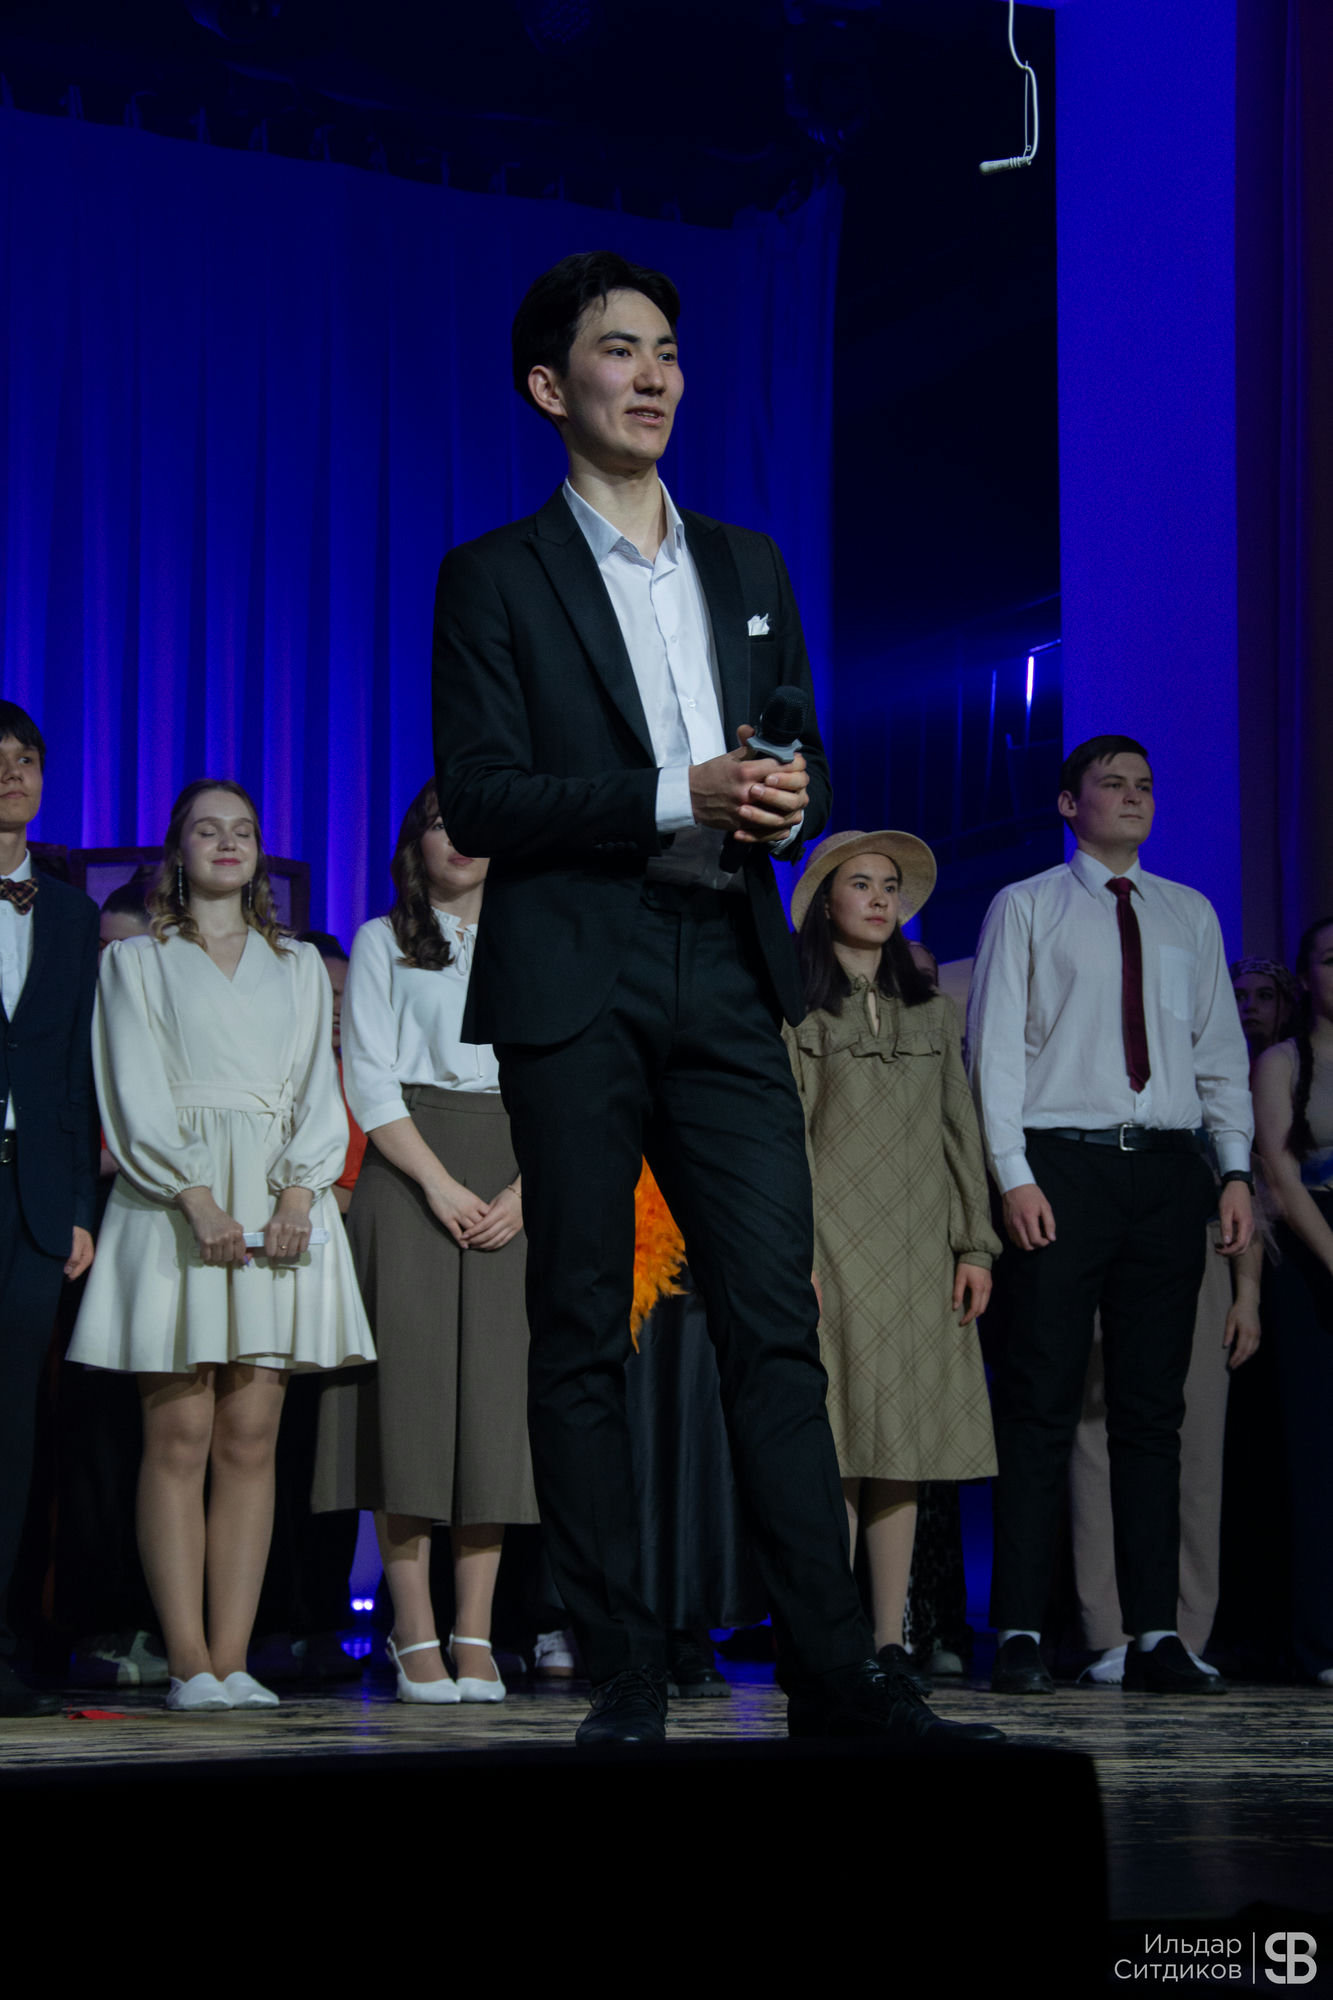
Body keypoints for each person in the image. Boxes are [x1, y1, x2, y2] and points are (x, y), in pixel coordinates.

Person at [432, 249, 1002, 1747]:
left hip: (729, 961)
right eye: (621, 348)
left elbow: (794, 751)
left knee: (773, 1319)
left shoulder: (747, 564)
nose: (655, 374)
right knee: (580, 1328)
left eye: (669, 350)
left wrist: (785, 797)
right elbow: (480, 794)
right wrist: (665, 793)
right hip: (578, 965)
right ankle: (623, 1667)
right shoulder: (494, 574)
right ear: (549, 385)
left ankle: (832, 1669)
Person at [66, 780, 375, 1711]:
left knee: (250, 1436)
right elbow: (132, 1087)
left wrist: (299, 1190)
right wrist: (195, 1198)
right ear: (179, 849)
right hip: (175, 1201)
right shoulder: (138, 963)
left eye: (243, 830)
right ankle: (189, 1661)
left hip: (279, 1201)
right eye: (209, 829)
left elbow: (318, 1087)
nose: (228, 843)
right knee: (181, 1432)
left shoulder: (296, 965)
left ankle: (234, 1659)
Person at [967, 734, 1254, 1695]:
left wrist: (1233, 1168)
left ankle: (1154, 1633)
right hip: (1062, 1165)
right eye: (1111, 784)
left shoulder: (1186, 912)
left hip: (1167, 1172)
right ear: (1067, 805)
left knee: (1149, 1410)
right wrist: (1012, 1174)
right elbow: (994, 1052)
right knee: (1040, 1399)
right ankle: (1017, 1626)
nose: (1133, 797)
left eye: (1144, 785)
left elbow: (1217, 1052)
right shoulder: (1026, 906)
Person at [313, 783, 537, 1703]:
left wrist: (526, 1190)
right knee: (405, 1410)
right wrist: (440, 1185)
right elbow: (368, 1076)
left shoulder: (535, 941)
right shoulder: (381, 940)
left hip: (514, 1167)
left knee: (494, 1410)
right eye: (443, 822)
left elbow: (566, 1080)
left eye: (477, 822)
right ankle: (413, 1633)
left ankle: (474, 1633)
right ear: (416, 841)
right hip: (409, 1171)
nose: (461, 839)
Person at [785, 831, 999, 1673]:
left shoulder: (933, 1011)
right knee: (839, 1441)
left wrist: (974, 1245)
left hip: (918, 1247)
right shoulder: (800, 1011)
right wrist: (796, 1251)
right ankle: (832, 1639)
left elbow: (959, 1131)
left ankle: (888, 1637)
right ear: (824, 902)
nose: (879, 899)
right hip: (831, 1244)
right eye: (860, 884)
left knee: (900, 1444)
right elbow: (791, 1138)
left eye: (889, 887)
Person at [0, 702, 98, 1717]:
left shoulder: (69, 913)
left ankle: (2, 1637)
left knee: (14, 1430)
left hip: (34, 1199)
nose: (11, 773)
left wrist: (77, 1205)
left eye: (25, 758)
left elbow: (74, 1069)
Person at [1252, 916, 1333, 1685]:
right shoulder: (1281, 1061)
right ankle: (1319, 1641)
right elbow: (1279, 1174)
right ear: (1307, 977)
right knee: (1314, 1456)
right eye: (1331, 960)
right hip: (1308, 1255)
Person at [1231, 956, 1300, 1062]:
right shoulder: (1219, 1066)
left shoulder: (1301, 1065)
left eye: (1264, 996)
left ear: (1287, 1010)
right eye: (1239, 997)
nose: (1250, 1006)